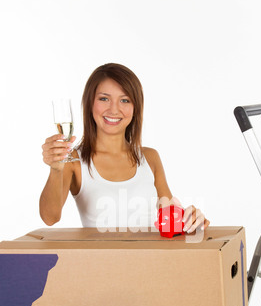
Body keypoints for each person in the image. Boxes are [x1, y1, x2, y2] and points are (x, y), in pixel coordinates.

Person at [40, 63, 210, 233]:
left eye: (125, 100)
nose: (114, 109)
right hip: (100, 260)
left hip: (153, 259)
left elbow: (170, 216)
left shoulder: (150, 157)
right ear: (89, 103)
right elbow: (50, 218)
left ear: (135, 108)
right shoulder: (75, 161)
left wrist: (192, 219)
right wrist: (56, 170)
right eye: (104, 98)